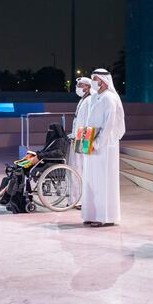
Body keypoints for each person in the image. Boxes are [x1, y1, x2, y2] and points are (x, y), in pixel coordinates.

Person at [81, 68, 125, 227]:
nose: (93, 81)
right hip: (91, 143)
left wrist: (97, 143)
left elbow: (109, 125)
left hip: (105, 146)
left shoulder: (109, 98)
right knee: (91, 180)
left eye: (95, 78)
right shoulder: (95, 98)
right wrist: (86, 142)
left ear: (104, 81)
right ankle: (91, 214)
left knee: (103, 181)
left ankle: (104, 216)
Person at [69, 77, 94, 207]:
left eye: (80, 85)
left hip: (84, 135)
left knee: (80, 169)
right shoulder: (82, 100)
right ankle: (75, 198)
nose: (78, 87)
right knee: (75, 168)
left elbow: (88, 122)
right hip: (78, 136)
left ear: (88, 87)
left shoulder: (90, 100)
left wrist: (83, 138)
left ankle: (80, 200)